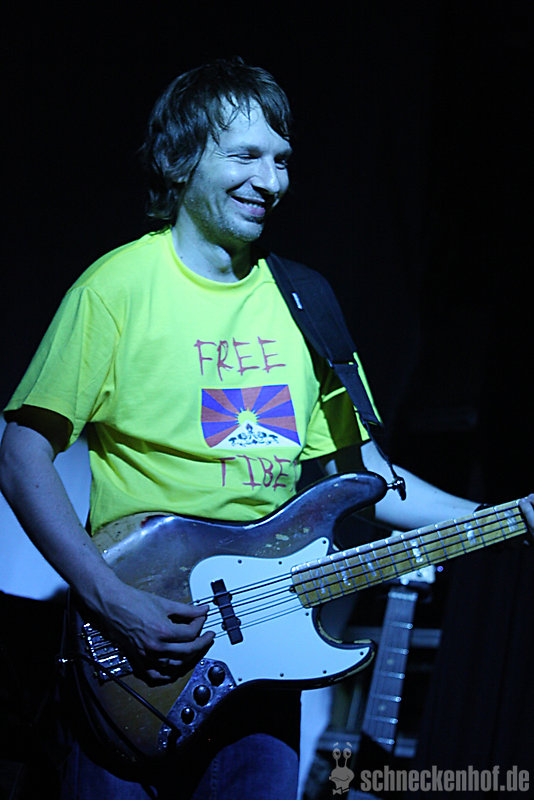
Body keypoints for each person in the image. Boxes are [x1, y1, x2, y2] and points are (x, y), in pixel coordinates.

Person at [0, 57, 532, 799]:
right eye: (245, 155)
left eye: (281, 159)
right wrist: (108, 597)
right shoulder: (115, 289)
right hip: (134, 655)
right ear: (182, 160)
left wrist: (507, 517)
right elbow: (21, 454)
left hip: (266, 661)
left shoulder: (306, 302)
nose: (271, 180)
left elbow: (367, 477)